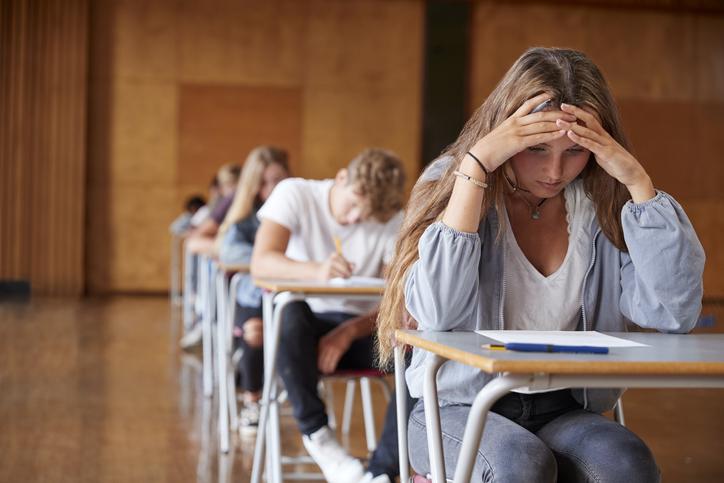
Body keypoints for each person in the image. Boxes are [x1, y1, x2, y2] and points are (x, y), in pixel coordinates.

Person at [376, 47, 705, 482]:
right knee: (521, 465)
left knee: (627, 464)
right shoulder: (452, 182)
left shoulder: (601, 202)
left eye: (574, 152)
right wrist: (476, 166)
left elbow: (673, 313)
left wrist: (638, 183)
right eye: (536, 149)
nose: (554, 171)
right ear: (503, 134)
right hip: (457, 408)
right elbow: (438, 313)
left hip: (564, 407)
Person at [251, 148, 406, 483]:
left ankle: (384, 469)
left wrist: (349, 331)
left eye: (366, 217)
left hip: (361, 328)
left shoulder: (392, 216)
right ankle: (320, 438)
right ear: (340, 178)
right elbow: (261, 262)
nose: (354, 220)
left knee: (415, 350)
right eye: (352, 206)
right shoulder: (296, 193)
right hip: (301, 330)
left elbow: (397, 301)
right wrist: (316, 270)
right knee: (290, 312)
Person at [216, 146, 290, 433]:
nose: (273, 188)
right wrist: (273, 259)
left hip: (288, 293)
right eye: (266, 181)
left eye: (278, 179)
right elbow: (229, 253)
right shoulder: (245, 220)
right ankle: (252, 399)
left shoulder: (296, 210)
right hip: (253, 297)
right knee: (256, 329)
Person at [180, 163, 241, 349]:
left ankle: (206, 322)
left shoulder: (231, 199)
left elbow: (199, 234)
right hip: (233, 258)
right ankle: (205, 321)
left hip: (235, 261)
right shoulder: (228, 201)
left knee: (211, 266)